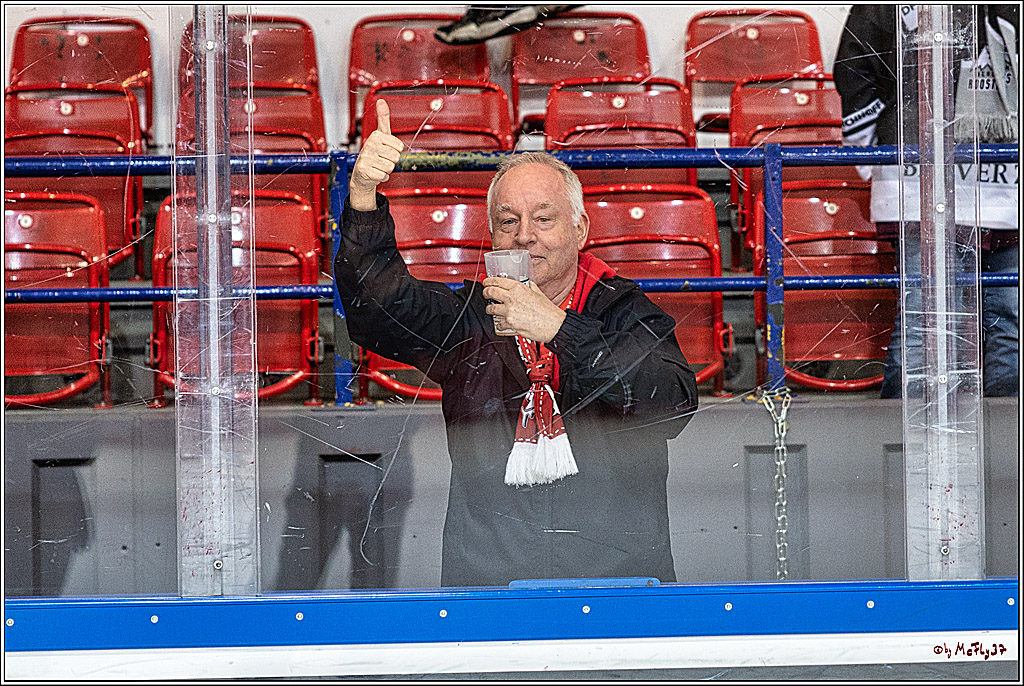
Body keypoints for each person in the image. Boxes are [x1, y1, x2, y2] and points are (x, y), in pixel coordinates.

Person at [334, 99, 699, 587]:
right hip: (489, 586)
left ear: (581, 229)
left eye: (544, 219)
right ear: (492, 237)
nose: (525, 236)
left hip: (621, 583)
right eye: (509, 222)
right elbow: (376, 312)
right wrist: (363, 197)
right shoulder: (472, 315)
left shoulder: (625, 309)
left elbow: (672, 406)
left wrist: (558, 328)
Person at [834, 5, 1019, 398]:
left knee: (1001, 317)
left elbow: (854, 69)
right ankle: (903, 448)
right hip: (938, 174)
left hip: (985, 176)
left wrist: (875, 154)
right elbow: (855, 66)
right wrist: (878, 155)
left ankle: (1007, 440)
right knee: (935, 318)